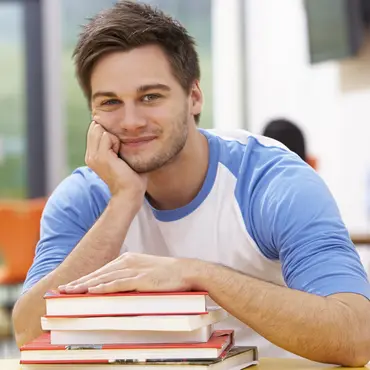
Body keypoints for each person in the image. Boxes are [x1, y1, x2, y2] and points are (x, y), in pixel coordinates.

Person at [12, 1, 370, 366]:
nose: (131, 120)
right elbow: (28, 333)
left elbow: (356, 335)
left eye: (150, 96)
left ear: (194, 97)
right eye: (110, 102)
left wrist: (196, 273)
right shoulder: (83, 197)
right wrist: (123, 201)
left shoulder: (271, 182)